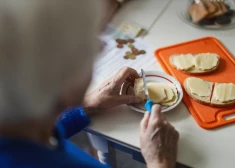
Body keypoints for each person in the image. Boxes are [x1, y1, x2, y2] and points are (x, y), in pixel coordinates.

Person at [0, 0, 179, 168]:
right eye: (90, 39)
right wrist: (160, 161)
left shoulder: (23, 124)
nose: (100, 47)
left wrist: (88, 105)